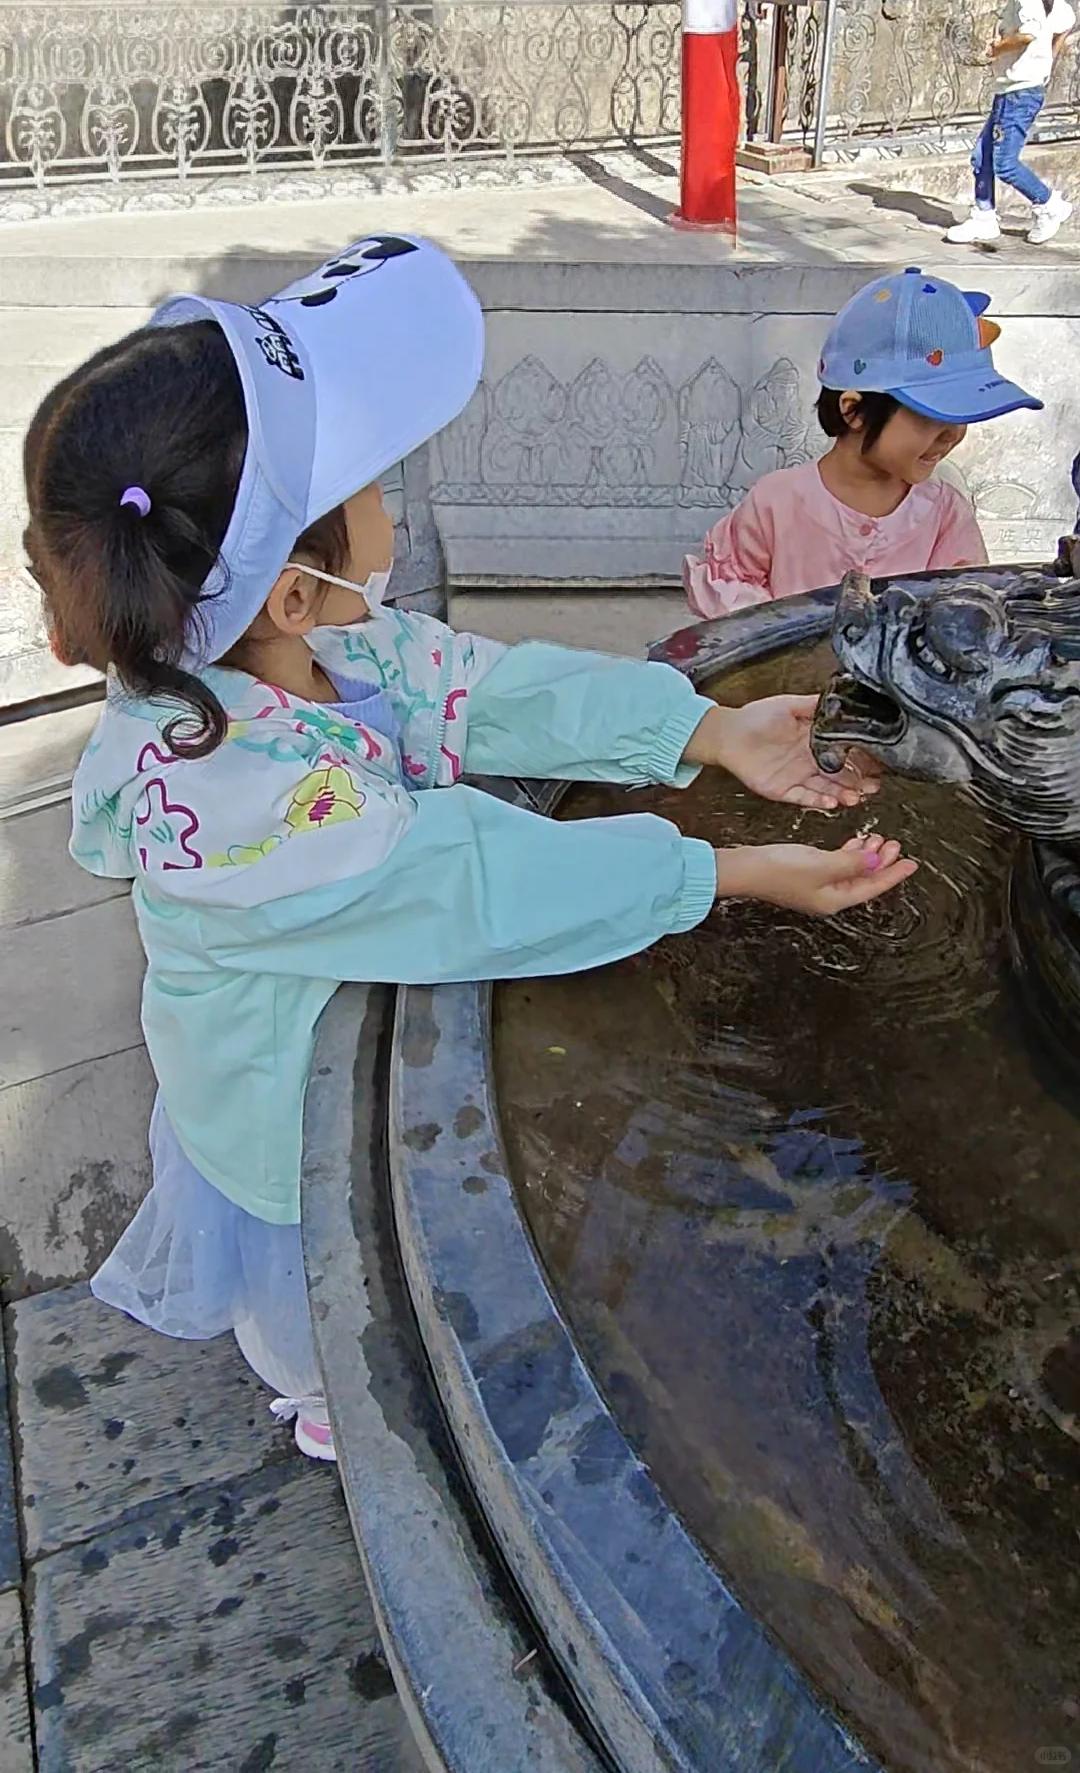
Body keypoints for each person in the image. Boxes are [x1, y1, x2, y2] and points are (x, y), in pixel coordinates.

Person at [23, 237, 915, 1465]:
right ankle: (328, 1402)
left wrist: (706, 729)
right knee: (326, 1306)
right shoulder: (246, 808)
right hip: (279, 1116)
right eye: (376, 479)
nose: (394, 498)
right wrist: (725, 872)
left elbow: (490, 691)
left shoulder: (320, 648)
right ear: (290, 590)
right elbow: (472, 878)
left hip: (326, 1012)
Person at [683, 268, 1038, 620]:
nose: (952, 435)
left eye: (962, 417)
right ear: (854, 411)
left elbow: (965, 611)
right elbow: (730, 596)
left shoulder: (945, 515)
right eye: (931, 417)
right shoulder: (776, 502)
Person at [947, 0, 1075, 247]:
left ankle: (1048, 204)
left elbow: (1030, 32)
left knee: (1003, 162)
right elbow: (1066, 20)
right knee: (982, 156)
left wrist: (999, 46)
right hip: (1017, 87)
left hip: (1020, 90)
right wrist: (1050, 55)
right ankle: (984, 216)